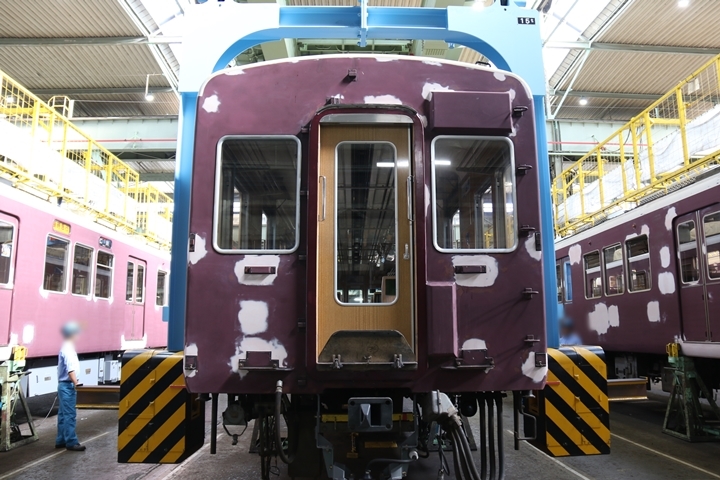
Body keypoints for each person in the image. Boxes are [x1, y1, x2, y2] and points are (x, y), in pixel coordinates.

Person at [56, 321, 86, 451]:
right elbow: (70, 369)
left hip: (64, 385)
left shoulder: (66, 347)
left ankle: (61, 440)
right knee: (69, 415)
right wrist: (76, 383)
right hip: (67, 386)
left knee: (63, 415)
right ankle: (71, 442)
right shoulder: (68, 349)